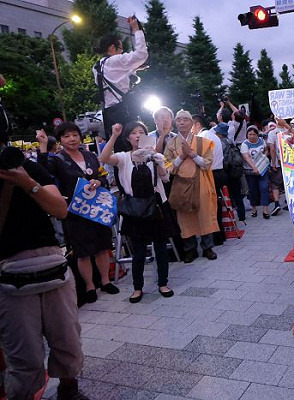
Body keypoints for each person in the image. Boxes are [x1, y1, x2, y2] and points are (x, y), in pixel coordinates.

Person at [0, 134, 89, 399]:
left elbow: (60, 209)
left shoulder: (24, 166)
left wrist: (27, 183)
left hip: (50, 262)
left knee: (67, 337)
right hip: (7, 271)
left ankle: (69, 388)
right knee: (24, 352)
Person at [37, 122, 119, 304]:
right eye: (66, 136)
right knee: (82, 252)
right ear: (60, 140)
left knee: (102, 247)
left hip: (97, 209)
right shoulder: (58, 159)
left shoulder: (90, 155)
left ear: (80, 137)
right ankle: (90, 286)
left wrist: (98, 181)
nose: (71, 139)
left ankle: (105, 281)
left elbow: (102, 175)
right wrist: (42, 146)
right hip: (76, 211)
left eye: (74, 134)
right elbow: (42, 173)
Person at [99, 121, 175, 303]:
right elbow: (104, 158)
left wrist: (159, 162)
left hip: (156, 205)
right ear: (128, 138)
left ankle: (163, 283)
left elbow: (165, 179)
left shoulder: (154, 155)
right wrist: (114, 135)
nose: (138, 135)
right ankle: (137, 287)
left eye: (141, 132)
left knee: (160, 248)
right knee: (138, 251)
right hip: (135, 209)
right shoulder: (123, 157)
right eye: (133, 133)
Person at [164, 110, 219, 262]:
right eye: (179, 120)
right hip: (181, 183)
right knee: (184, 217)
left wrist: (193, 154)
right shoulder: (171, 143)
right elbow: (168, 167)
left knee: (204, 213)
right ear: (176, 123)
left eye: (185, 120)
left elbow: (207, 163)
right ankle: (190, 249)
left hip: (201, 181)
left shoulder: (202, 142)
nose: (181, 122)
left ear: (192, 123)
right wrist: (182, 156)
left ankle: (208, 248)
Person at [93, 16, 147, 147]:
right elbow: (141, 54)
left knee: (120, 152)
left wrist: (134, 68)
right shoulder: (115, 61)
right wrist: (137, 30)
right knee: (136, 148)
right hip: (124, 111)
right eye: (121, 49)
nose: (122, 52)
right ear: (112, 48)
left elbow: (115, 80)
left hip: (109, 115)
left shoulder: (97, 67)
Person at [194, 114, 226, 246]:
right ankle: (219, 236)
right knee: (216, 206)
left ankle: (215, 237)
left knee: (210, 207)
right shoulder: (213, 135)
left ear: (197, 125)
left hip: (210, 173)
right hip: (219, 172)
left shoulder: (202, 137)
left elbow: (201, 159)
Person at [215, 122, 246, 223]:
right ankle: (242, 216)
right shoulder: (230, 141)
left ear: (219, 133)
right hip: (235, 170)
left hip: (226, 171)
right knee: (237, 194)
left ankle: (230, 217)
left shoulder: (220, 143)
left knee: (226, 195)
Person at [241, 125, 271, 219]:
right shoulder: (245, 144)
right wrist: (254, 167)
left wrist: (264, 157)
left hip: (262, 169)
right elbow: (246, 157)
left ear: (257, 134)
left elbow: (266, 150)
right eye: (250, 134)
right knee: (252, 190)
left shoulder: (262, 141)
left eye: (254, 134)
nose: (252, 136)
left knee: (264, 188)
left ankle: (265, 209)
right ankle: (254, 208)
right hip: (250, 171)